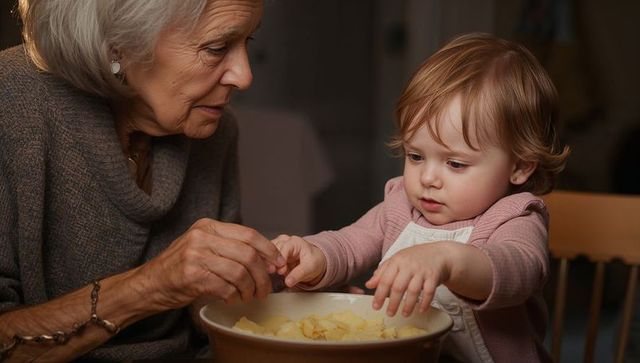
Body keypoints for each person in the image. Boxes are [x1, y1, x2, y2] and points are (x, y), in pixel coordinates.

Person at [0, 0, 286, 361]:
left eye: (248, 42)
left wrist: (272, 295)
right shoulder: (11, 103)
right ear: (119, 44)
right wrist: (152, 286)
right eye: (216, 48)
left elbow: (206, 321)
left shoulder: (213, 129)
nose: (244, 76)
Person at [273, 33, 570, 363]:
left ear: (519, 166)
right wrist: (316, 256)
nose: (427, 178)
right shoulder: (400, 204)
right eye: (415, 156)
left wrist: (446, 259)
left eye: (455, 163)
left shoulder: (516, 217)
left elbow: (518, 270)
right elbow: (350, 242)